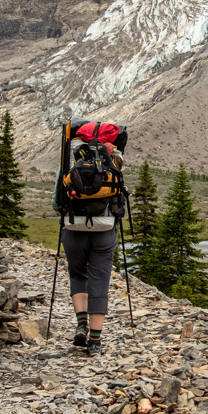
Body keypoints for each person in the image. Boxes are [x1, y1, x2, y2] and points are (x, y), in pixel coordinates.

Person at [53, 120, 127, 356]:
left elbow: (57, 203)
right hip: (105, 230)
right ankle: (95, 342)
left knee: (78, 274)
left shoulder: (70, 163)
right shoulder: (114, 160)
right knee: (100, 279)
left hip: (73, 229)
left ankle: (81, 323)